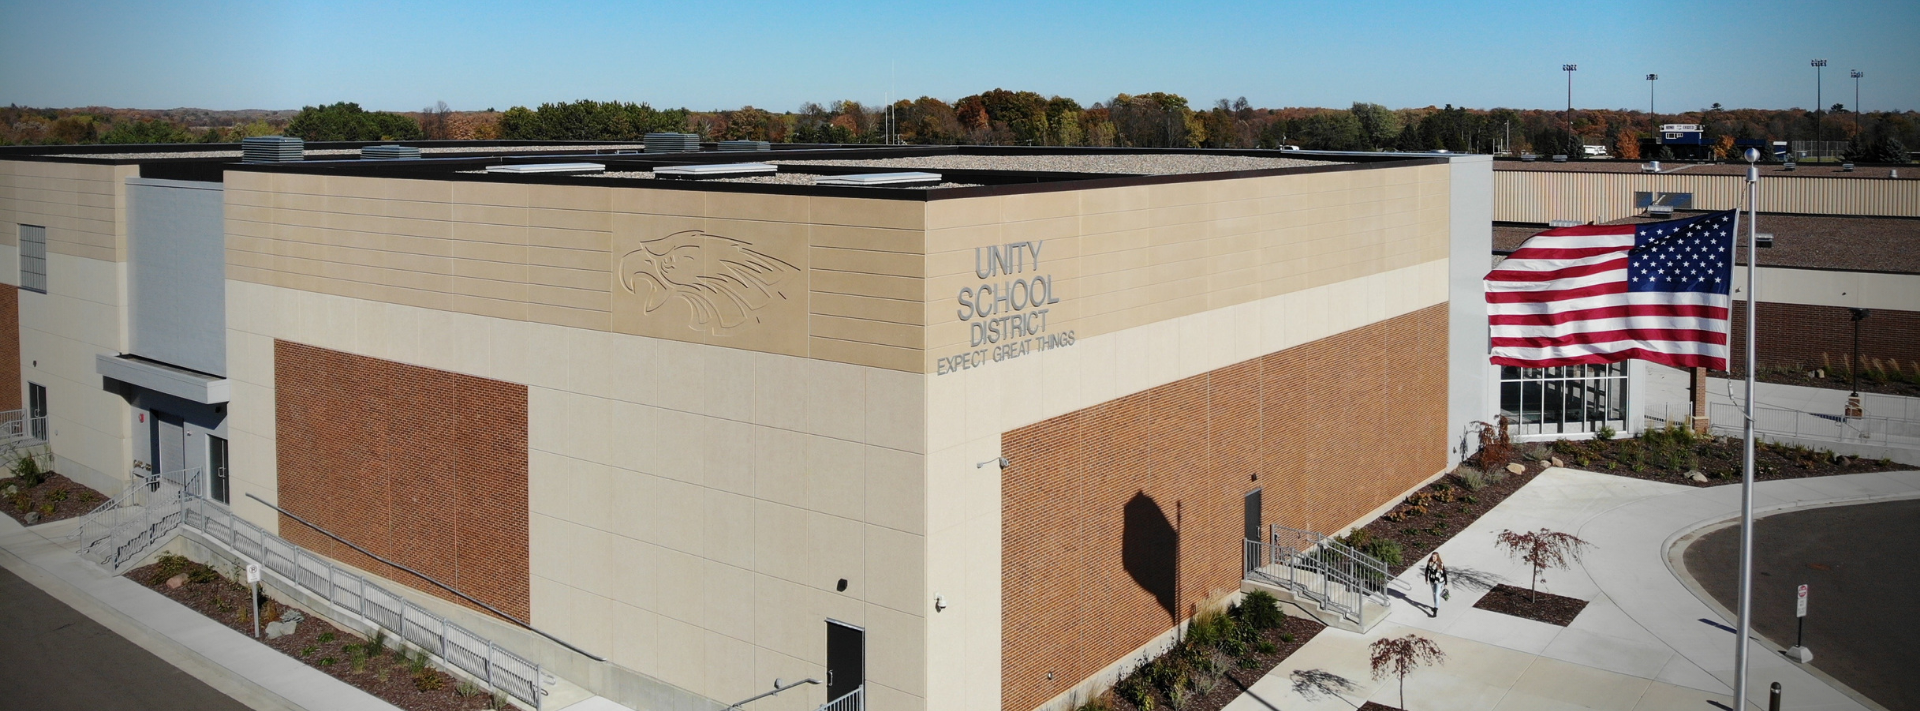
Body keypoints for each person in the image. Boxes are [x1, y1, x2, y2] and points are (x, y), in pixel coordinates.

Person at [1421, 553, 1450, 617]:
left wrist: (1446, 583)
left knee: (1437, 594)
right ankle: (1435, 606)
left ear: (1437, 557)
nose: (1433, 558)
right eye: (1432, 557)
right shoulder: (1429, 563)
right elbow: (1426, 571)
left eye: (1434, 557)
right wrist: (1426, 579)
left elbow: (1444, 573)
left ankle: (1435, 610)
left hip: (1439, 581)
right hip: (1432, 581)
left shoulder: (1440, 564)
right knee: (1434, 594)